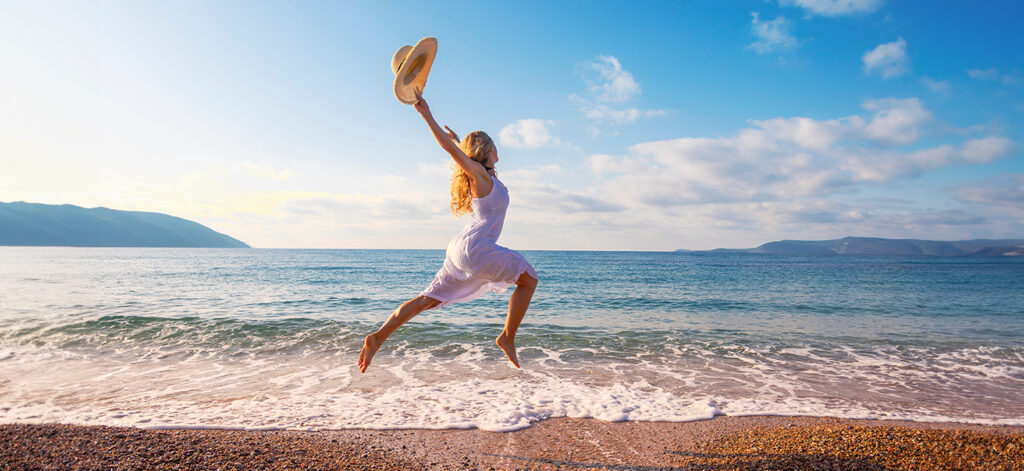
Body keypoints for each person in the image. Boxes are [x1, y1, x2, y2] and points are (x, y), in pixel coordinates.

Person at [357, 90, 539, 373]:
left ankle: (376, 337)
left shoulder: (486, 176)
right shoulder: (478, 174)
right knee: (529, 280)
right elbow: (452, 153)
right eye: (495, 146)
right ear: (490, 150)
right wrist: (426, 113)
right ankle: (507, 337)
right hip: (476, 248)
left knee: (426, 300)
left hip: (461, 248)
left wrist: (458, 141)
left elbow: (458, 152)